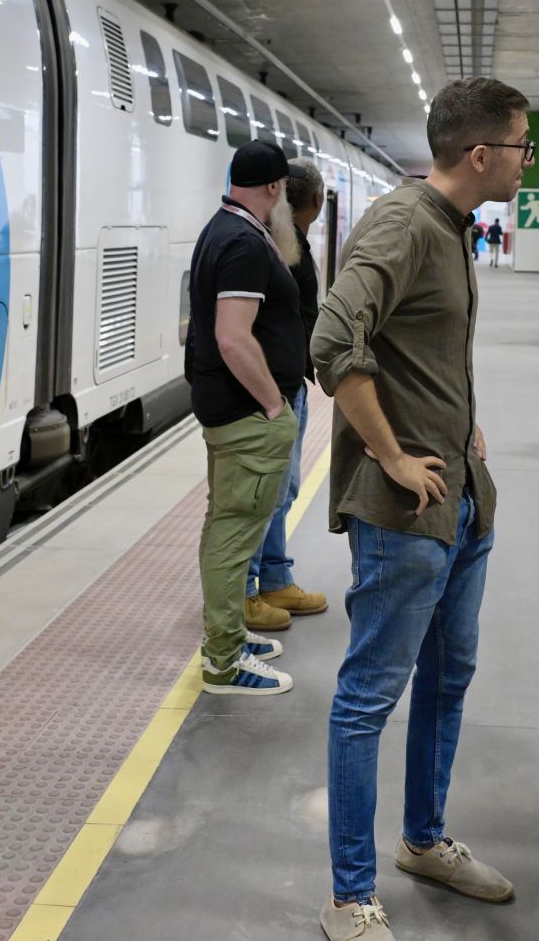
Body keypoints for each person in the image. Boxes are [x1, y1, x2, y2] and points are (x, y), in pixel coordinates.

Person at [312, 76, 532, 941]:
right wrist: (391, 452)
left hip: (461, 509)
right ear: (482, 154)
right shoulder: (405, 224)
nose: (525, 160)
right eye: (521, 145)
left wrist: (459, 420)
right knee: (369, 696)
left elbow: (421, 347)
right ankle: (349, 896)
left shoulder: (451, 228)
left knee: (446, 680)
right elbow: (334, 340)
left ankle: (425, 840)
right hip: (405, 517)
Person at [184, 138, 304, 695]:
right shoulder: (244, 242)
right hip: (248, 414)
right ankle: (225, 663)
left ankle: (228, 638)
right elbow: (233, 339)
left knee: (226, 528)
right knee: (233, 537)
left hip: (230, 410)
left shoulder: (222, 228)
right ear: (276, 189)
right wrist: (274, 405)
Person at [243, 158, 331, 628]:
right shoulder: (272, 245)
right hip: (274, 389)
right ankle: (251, 587)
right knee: (269, 493)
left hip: (288, 383)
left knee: (284, 489)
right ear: (316, 200)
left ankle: (275, 578)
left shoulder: (286, 242)